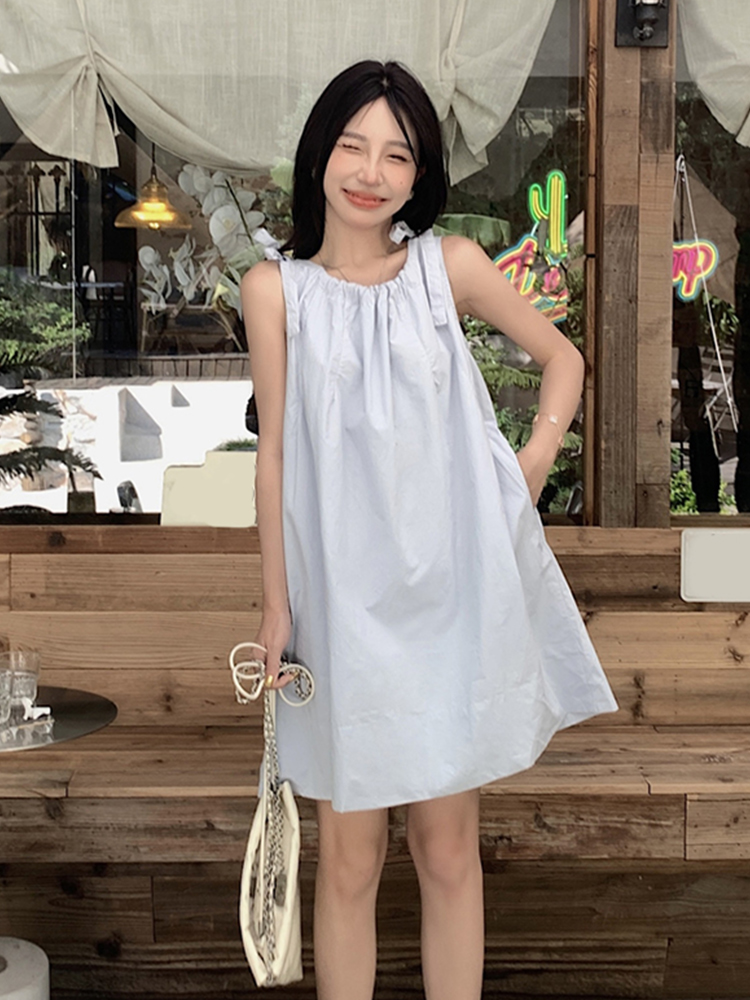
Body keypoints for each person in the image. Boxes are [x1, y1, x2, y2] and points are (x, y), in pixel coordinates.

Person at [240, 60, 618, 1000]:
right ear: (319, 156)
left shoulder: (448, 268)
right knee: (351, 858)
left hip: (452, 598)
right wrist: (277, 608)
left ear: (420, 175)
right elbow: (274, 455)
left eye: (397, 155)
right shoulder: (274, 291)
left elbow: (563, 359)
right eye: (353, 146)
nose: (371, 172)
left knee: (447, 850)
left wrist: (531, 465)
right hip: (339, 607)